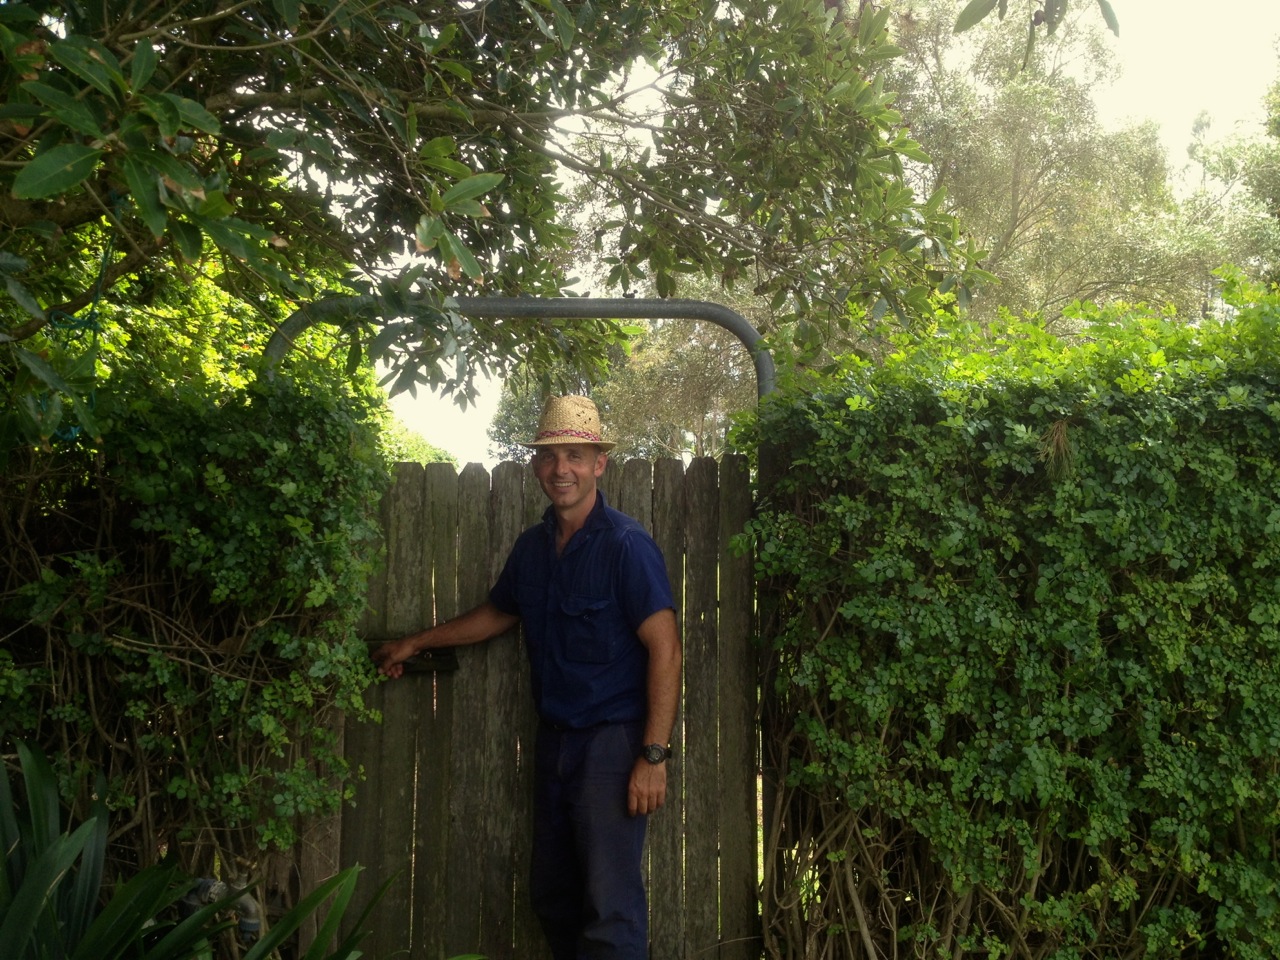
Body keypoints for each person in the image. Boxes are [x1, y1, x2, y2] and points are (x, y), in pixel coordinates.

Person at [372, 395, 682, 960]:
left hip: (611, 747)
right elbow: (497, 614)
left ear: (598, 465)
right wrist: (418, 640)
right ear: (536, 467)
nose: (560, 468)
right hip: (555, 744)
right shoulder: (533, 548)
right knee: (554, 895)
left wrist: (653, 756)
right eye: (549, 457)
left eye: (574, 455)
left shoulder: (625, 546)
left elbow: (666, 651)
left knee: (609, 906)